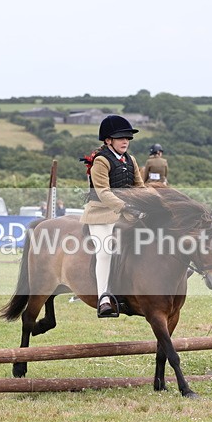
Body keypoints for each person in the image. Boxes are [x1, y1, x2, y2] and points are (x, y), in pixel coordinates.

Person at [81, 115, 145, 318]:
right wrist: (126, 207)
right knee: (105, 251)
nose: (125, 141)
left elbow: (139, 186)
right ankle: (104, 298)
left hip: (126, 213)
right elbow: (103, 192)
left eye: (127, 138)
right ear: (108, 140)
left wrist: (150, 202)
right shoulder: (101, 161)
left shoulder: (130, 159)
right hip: (101, 213)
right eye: (120, 138)